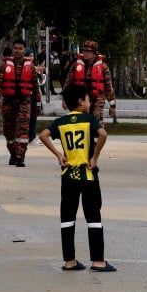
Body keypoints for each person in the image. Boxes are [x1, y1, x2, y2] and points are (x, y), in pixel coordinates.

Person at [37, 85, 116, 273]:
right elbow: (103, 134)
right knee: (93, 217)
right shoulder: (90, 120)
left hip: (68, 176)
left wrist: (58, 154)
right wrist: (95, 157)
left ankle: (69, 261)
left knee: (67, 218)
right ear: (81, 102)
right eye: (88, 100)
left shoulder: (61, 122)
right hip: (88, 175)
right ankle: (98, 261)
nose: (89, 103)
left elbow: (43, 135)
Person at [0, 40, 42, 167]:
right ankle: (13, 153)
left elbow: (35, 87)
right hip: (8, 101)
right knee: (8, 130)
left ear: (25, 50)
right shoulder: (5, 65)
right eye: (15, 48)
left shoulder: (30, 67)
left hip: (24, 101)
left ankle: (20, 156)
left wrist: (38, 104)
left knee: (22, 129)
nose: (17, 50)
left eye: (20, 48)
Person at [63, 41, 116, 123]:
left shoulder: (103, 67)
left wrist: (112, 105)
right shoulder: (76, 65)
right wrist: (64, 99)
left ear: (94, 53)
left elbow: (108, 87)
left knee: (96, 123)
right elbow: (68, 82)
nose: (85, 53)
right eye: (84, 51)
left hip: (97, 100)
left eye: (88, 52)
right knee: (79, 123)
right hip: (80, 100)